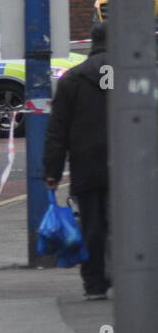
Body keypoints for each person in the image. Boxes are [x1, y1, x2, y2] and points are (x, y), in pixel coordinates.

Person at [44, 22, 110, 299]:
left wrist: (52, 171)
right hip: (130, 163)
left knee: (92, 224)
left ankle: (94, 284)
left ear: (91, 43)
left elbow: (57, 130)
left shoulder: (72, 80)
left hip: (87, 164)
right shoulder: (137, 73)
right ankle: (129, 275)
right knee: (130, 220)